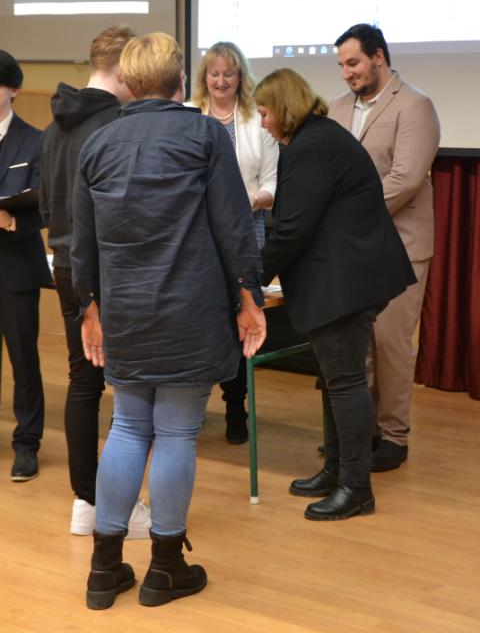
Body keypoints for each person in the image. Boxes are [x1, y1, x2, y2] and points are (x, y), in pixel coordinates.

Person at [70, 31, 266, 609]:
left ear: (128, 82)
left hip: (125, 311)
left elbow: (84, 242)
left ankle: (104, 570)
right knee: (177, 432)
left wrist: (89, 308)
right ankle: (164, 568)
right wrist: (250, 296)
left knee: (128, 427)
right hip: (190, 309)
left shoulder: (97, 144)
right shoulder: (204, 135)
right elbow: (233, 224)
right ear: (182, 80)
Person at [255, 68, 416, 521]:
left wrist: (252, 275)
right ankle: (336, 470)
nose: (262, 122)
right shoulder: (317, 138)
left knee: (344, 381)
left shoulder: (311, 147)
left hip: (344, 282)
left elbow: (293, 228)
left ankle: (356, 487)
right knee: (334, 379)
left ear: (284, 107)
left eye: (265, 112)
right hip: (343, 277)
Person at [40, 25, 151, 537]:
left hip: (64, 264)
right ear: (126, 69)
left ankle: (86, 501)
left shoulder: (52, 127)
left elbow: (46, 207)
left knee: (83, 381)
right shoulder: (116, 126)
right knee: (129, 390)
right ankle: (118, 507)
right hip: (109, 269)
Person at [329, 23, 441, 471]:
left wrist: (345, 213)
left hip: (400, 246)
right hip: (350, 249)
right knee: (357, 345)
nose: (346, 73)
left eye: (353, 63)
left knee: (391, 344)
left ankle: (394, 436)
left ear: (378, 57)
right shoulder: (336, 109)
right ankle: (363, 430)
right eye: (341, 66)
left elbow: (406, 179)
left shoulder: (415, 105)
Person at [191, 41, 278, 443]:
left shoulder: (256, 119)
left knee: (241, 317)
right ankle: (193, 403)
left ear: (240, 77)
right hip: (198, 235)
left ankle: (234, 406)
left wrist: (249, 201)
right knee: (202, 317)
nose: (221, 80)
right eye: (214, 73)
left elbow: (273, 182)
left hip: (246, 230)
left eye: (229, 73)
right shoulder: (189, 115)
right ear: (204, 77)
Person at [0, 51, 51, 482]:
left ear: (14, 89)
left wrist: (10, 220)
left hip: (16, 265)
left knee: (23, 359)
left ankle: (27, 443)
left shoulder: (35, 140)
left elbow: (44, 203)